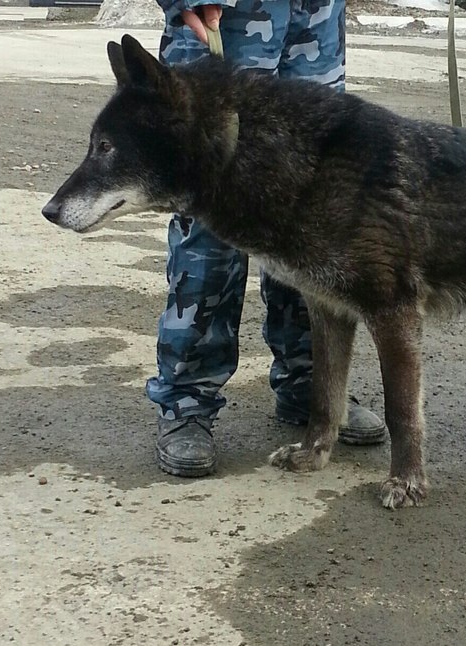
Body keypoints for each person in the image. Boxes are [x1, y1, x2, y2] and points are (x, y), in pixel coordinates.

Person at [148, 0, 386, 477]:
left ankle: (311, 385)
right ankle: (187, 399)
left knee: (313, 205)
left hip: (313, 18)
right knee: (211, 209)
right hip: (226, 13)